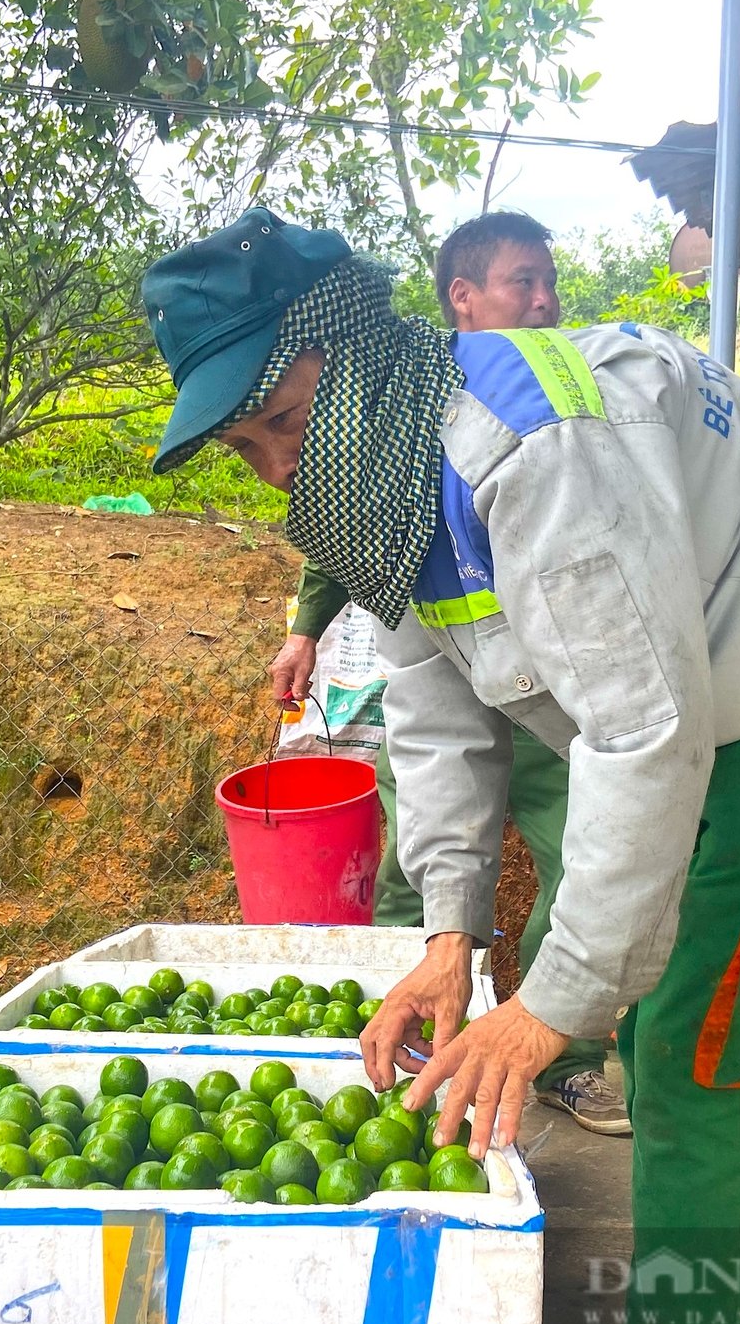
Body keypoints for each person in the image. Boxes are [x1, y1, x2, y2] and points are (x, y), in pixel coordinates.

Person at [140, 208, 740, 1324]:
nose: (276, 470)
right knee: (688, 1005)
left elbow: (638, 731)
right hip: (713, 695)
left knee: (710, 1029)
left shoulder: (531, 441)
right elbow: (438, 719)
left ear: (346, 360)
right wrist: (450, 932)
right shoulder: (382, 492)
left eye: (281, 425)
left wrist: (550, 1003)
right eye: (247, 448)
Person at [268, 211, 627, 1136]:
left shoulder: (552, 418)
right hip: (451, 664)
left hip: (559, 691)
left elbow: (641, 725)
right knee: (420, 851)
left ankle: (565, 1052)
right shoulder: (377, 427)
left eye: (547, 279)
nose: (543, 298)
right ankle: (425, 1018)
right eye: (521, 281)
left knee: (576, 847)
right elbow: (341, 535)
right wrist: (307, 628)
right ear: (462, 298)